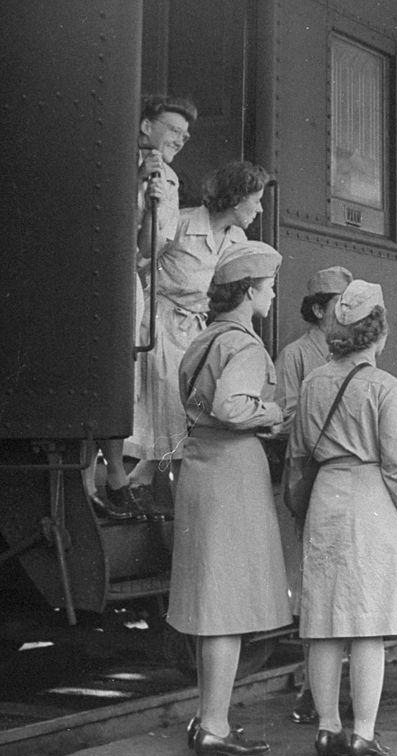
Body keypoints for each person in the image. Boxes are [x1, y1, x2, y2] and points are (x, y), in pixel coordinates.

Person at [292, 281, 397, 756]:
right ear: (379, 332)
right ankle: (363, 735)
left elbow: (300, 450)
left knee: (325, 624)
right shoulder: (383, 386)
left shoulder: (312, 382)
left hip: (327, 497)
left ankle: (327, 729)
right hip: (372, 500)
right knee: (367, 627)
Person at [168, 240, 292, 756]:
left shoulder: (202, 340)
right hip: (232, 473)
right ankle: (215, 726)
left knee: (210, 601)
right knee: (227, 607)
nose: (271, 293)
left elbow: (199, 403)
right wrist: (272, 413)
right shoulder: (243, 343)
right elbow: (233, 406)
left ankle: (208, 717)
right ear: (248, 291)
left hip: (199, 468)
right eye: (267, 286)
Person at [123, 160, 270, 519]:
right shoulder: (183, 222)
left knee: (186, 412)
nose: (260, 208)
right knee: (169, 410)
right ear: (236, 200)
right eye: (256, 199)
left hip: (197, 330)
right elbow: (140, 264)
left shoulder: (238, 240)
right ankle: (141, 484)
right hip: (161, 324)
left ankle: (143, 482)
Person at [87, 95, 198, 520]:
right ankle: (93, 480)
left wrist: (150, 204)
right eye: (173, 130)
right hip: (89, 276)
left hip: (125, 283)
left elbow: (148, 249)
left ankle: (115, 478)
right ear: (146, 126)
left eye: (184, 136)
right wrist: (133, 180)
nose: (180, 140)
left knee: (120, 378)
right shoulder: (109, 154)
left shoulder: (167, 182)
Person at [274, 266, 353, 726]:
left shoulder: (354, 349)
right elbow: (284, 419)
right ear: (320, 308)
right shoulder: (296, 356)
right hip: (313, 479)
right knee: (313, 587)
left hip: (347, 486)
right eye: (339, 302)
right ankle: (311, 688)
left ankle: (328, 688)